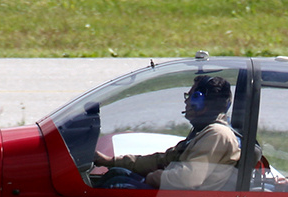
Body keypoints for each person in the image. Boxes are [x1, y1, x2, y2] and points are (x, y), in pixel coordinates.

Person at [96, 74, 241, 190]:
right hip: (176, 196)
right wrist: (111, 161)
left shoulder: (217, 134)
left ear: (200, 101)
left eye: (190, 96)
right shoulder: (203, 131)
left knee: (117, 186)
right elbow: (162, 160)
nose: (186, 102)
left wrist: (153, 177)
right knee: (117, 173)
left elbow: (188, 179)